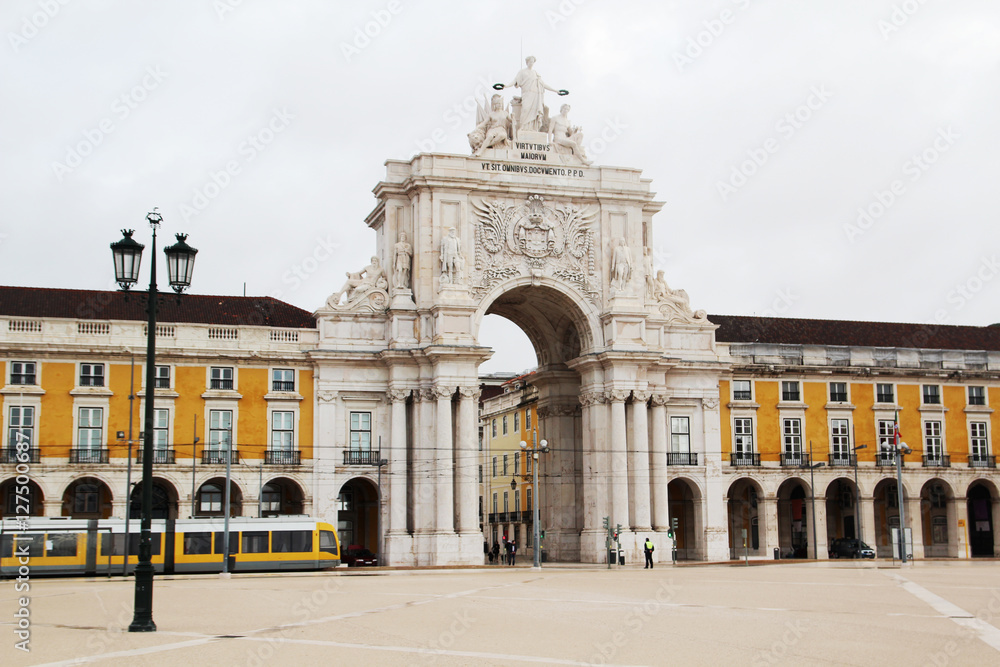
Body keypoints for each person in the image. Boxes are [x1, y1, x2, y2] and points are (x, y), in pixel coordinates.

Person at [499, 56, 564, 133]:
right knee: (525, 109)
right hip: (527, 94)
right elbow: (515, 81)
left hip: (536, 95)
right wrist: (506, 86)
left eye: (533, 61)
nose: (531, 63)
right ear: (527, 62)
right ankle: (523, 127)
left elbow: (543, 84)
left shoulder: (536, 73)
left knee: (535, 112)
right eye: (530, 61)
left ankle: (533, 129)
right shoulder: (522, 72)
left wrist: (556, 91)